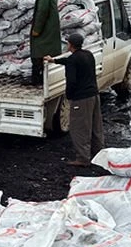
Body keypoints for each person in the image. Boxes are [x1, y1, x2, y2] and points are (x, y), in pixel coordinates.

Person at [44, 33, 104, 166]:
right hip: (94, 95)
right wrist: (53, 60)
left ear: (70, 45)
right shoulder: (88, 54)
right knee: (95, 125)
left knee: (79, 127)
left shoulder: (73, 60)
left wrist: (69, 96)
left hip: (81, 98)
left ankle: (83, 158)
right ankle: (98, 153)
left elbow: (71, 81)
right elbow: (70, 61)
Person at [30, 0, 61, 86]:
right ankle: (45, 80)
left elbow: (42, 11)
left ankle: (37, 81)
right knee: (47, 54)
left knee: (38, 54)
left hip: (45, 28)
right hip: (50, 27)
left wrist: (37, 29)